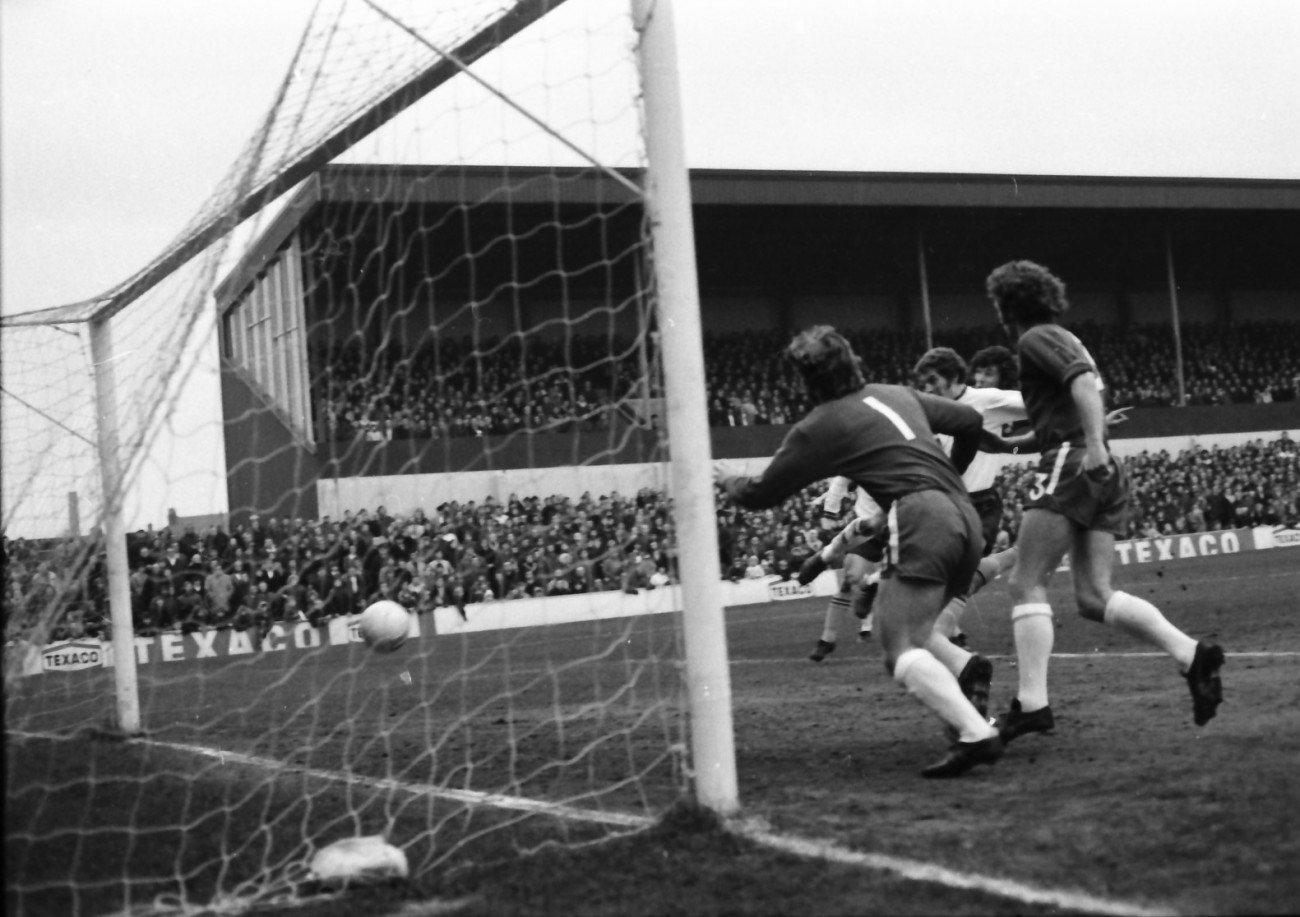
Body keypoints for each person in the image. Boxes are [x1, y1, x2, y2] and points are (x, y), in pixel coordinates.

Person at [715, 324, 1003, 777]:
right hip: (965, 512)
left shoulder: (822, 424)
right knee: (919, 628)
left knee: (898, 645)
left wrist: (727, 478)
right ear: (852, 360)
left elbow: (758, 494)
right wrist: (956, 468)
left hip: (921, 518)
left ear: (806, 381)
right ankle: (967, 670)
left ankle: (976, 733)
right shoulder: (896, 393)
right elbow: (969, 422)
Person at [983, 260, 1225, 743]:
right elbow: (1074, 403)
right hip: (1098, 466)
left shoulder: (1035, 338)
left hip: (1075, 462)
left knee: (1025, 582)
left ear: (1006, 306)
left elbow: (1079, 386)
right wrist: (1012, 445)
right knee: (1094, 597)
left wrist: (1091, 444)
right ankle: (1192, 656)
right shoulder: (1063, 336)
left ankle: (1032, 705)